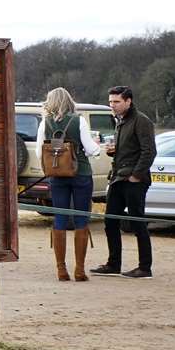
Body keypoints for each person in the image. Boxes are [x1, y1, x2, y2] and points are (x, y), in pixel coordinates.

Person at [40, 87, 102, 281]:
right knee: (81, 219)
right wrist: (98, 147)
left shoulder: (45, 123)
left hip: (57, 175)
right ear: (69, 101)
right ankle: (80, 270)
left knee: (59, 218)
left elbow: (38, 152)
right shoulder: (79, 120)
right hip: (80, 173)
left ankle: (61, 269)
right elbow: (92, 149)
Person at [96, 85, 156, 279]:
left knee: (137, 222)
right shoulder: (120, 121)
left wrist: (136, 175)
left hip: (134, 180)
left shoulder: (142, 121)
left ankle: (145, 267)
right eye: (110, 101)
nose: (112, 105)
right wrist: (113, 151)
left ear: (128, 101)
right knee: (110, 221)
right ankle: (113, 264)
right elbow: (128, 149)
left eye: (116, 102)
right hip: (118, 178)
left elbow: (149, 151)